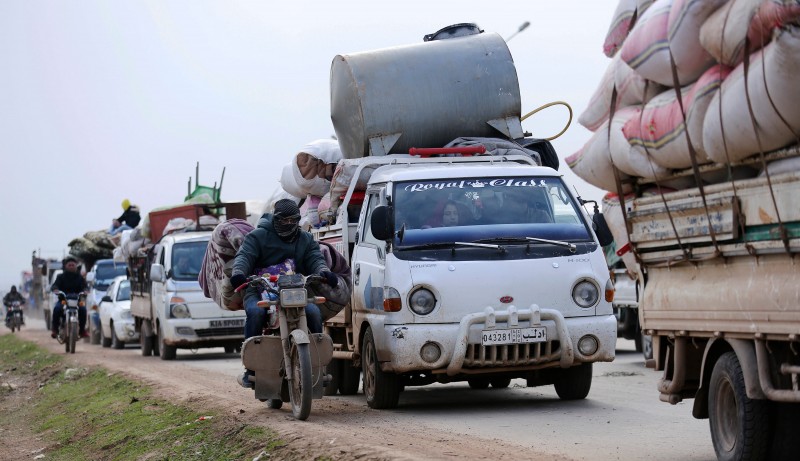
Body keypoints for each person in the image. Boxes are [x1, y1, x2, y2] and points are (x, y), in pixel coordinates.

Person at [229, 199, 339, 389]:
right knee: (256, 312)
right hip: (260, 288)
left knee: (313, 313)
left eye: (293, 220)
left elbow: (315, 258)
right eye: (284, 220)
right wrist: (239, 272)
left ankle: (317, 366)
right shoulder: (257, 236)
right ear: (275, 218)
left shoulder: (305, 239)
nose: (289, 224)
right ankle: (251, 369)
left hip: (294, 289)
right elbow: (244, 256)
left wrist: (323, 271)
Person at [50, 256, 89, 339]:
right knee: (57, 309)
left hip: (77, 300)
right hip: (63, 300)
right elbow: (55, 285)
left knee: (83, 310)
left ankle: (82, 330)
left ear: (76, 266)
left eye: (73, 265)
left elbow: (85, 287)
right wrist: (56, 289)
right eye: (69, 265)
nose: (71, 267)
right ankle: (55, 329)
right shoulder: (60, 277)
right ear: (66, 266)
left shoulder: (80, 277)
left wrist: (85, 291)